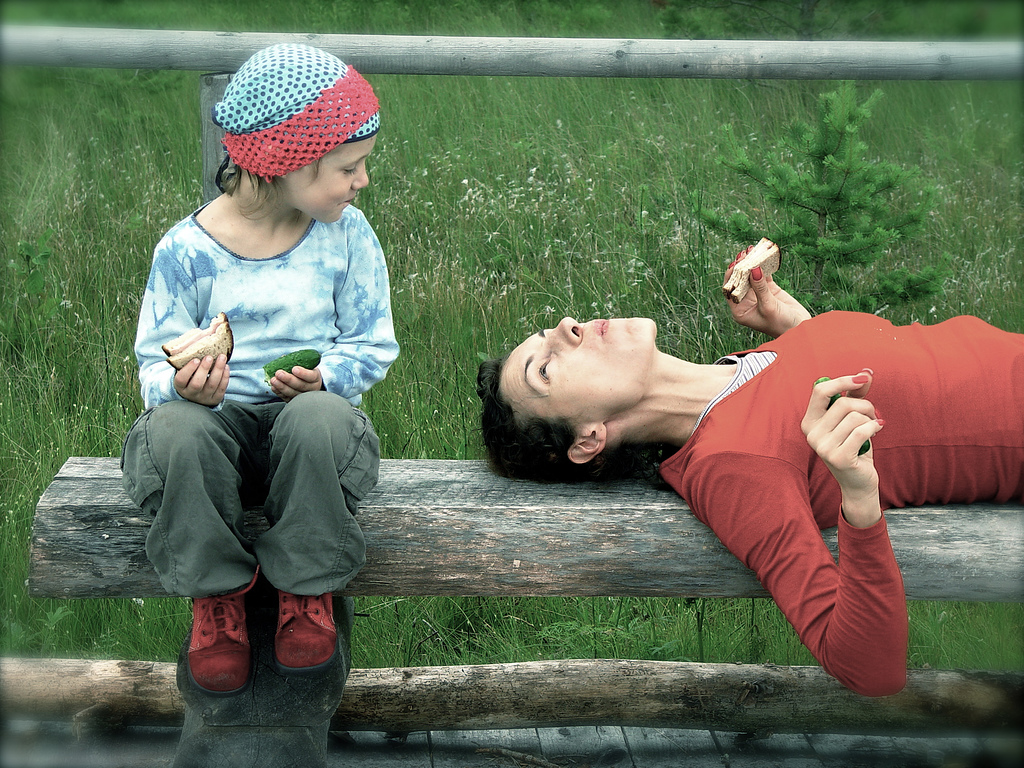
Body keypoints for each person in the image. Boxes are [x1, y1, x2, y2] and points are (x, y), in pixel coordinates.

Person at [476, 248, 1024, 697]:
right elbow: (869, 668)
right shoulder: (730, 469)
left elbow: (895, 395)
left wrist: (797, 327)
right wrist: (860, 497)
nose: (567, 327)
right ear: (588, 438)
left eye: (548, 331)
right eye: (545, 368)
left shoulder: (737, 373)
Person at [121, 43, 399, 697]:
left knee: (321, 418)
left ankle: (307, 586)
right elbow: (151, 367)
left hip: (306, 439)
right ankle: (216, 601)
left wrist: (328, 377)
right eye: (349, 167)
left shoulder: (348, 236)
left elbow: (372, 342)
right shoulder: (185, 252)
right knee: (173, 431)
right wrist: (182, 386)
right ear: (286, 163)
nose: (362, 181)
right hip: (214, 432)